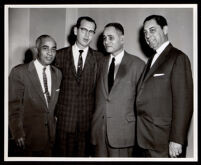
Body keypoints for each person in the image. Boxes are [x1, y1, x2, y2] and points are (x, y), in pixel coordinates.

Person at [136, 15, 193, 157]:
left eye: (152, 30)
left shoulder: (178, 58)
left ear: (165, 29)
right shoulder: (151, 60)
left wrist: (177, 139)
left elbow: (184, 103)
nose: (148, 36)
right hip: (145, 138)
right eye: (145, 33)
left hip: (164, 141)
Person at [91, 23, 145, 157]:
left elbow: (142, 103)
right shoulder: (99, 63)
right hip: (99, 132)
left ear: (122, 39)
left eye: (110, 37)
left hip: (123, 134)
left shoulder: (137, 65)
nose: (106, 42)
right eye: (104, 38)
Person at [54, 16, 103, 157]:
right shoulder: (59, 56)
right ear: (75, 31)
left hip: (86, 123)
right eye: (84, 30)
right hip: (63, 120)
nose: (87, 35)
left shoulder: (99, 59)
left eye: (91, 31)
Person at [9, 35, 62, 156]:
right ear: (36, 49)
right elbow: (13, 107)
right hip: (27, 138)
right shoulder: (19, 72)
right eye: (45, 48)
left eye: (53, 49)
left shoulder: (57, 73)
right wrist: (17, 133)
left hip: (51, 139)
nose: (50, 53)